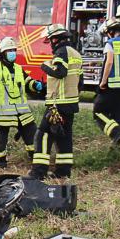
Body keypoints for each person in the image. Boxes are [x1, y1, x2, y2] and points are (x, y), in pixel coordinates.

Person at [27, 24, 83, 179]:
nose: (50, 43)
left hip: (58, 104)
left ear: (56, 39)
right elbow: (80, 82)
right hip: (71, 103)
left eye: (50, 40)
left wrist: (45, 67)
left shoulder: (61, 52)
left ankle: (38, 172)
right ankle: (63, 172)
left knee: (43, 135)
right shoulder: (76, 54)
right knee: (64, 137)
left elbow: (60, 72)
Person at [0, 37, 37, 168]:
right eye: (9, 50)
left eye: (14, 50)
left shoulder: (19, 68)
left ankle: (36, 158)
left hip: (22, 111)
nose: (12, 53)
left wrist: (36, 85)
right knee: (1, 139)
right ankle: (0, 162)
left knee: (31, 133)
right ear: (2, 53)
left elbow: (27, 81)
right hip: (3, 112)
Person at [91, 19, 120, 146]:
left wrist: (103, 82)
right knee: (119, 117)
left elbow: (109, 62)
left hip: (111, 86)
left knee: (98, 112)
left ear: (111, 32)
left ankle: (116, 133)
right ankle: (118, 148)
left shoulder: (110, 44)